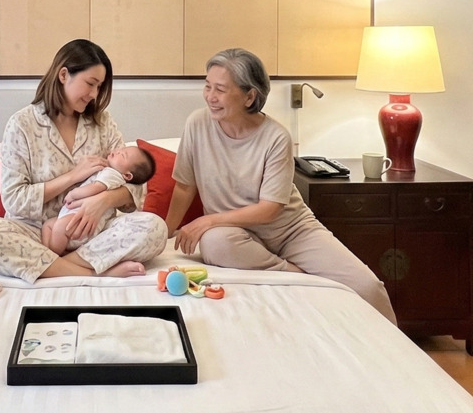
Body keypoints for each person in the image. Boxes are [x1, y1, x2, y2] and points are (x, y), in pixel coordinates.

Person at [166, 48, 397, 325]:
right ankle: (292, 274)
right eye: (207, 86)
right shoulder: (197, 124)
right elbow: (184, 187)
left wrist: (208, 220)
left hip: (291, 231)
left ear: (250, 96)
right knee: (214, 243)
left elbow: (270, 210)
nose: (210, 97)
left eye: (220, 90)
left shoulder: (276, 137)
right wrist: (163, 236)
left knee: (367, 286)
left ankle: (402, 358)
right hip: (235, 234)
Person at [0, 39, 168, 281]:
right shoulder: (22, 125)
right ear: (63, 75)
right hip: (38, 234)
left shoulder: (102, 123)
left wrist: (102, 201)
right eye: (90, 84)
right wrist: (72, 176)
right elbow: (14, 200)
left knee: (155, 228)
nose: (94, 94)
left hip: (94, 232)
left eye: (99, 87)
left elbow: (135, 184)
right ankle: (95, 271)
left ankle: (55, 267)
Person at [40, 144, 156, 255]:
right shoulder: (109, 171)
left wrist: (74, 194)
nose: (118, 151)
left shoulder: (112, 174)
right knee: (48, 225)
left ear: (127, 175)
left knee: (59, 228)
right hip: (72, 215)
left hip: (82, 220)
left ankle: (55, 256)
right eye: (121, 149)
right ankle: (51, 251)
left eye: (123, 155)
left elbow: (95, 188)